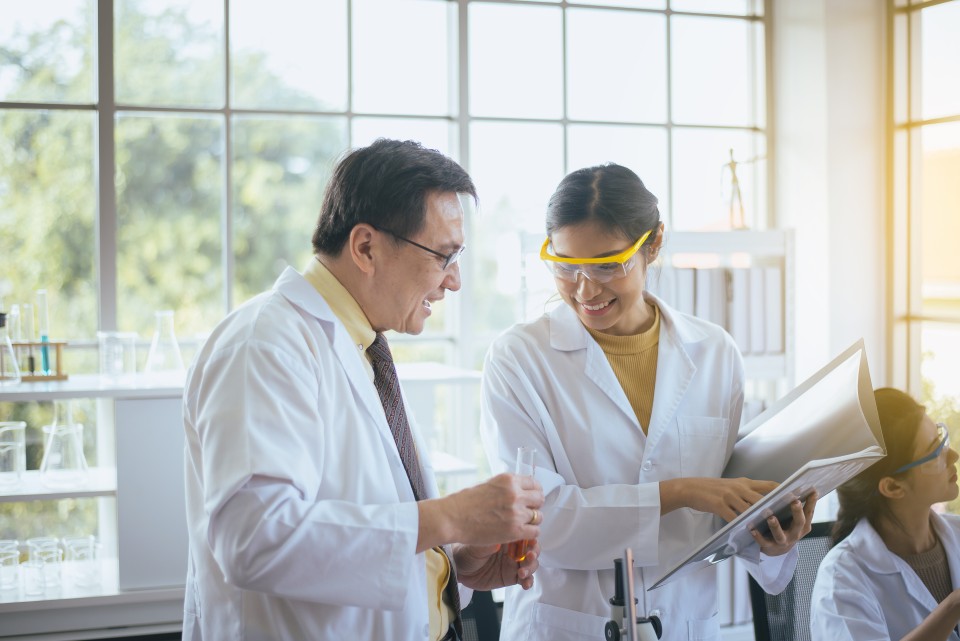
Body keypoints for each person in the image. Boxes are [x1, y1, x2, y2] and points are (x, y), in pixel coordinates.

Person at [182, 138, 545, 641]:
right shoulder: (264, 344)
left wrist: (456, 566)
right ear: (366, 247)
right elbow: (255, 542)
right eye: (444, 255)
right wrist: (450, 517)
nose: (454, 281)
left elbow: (370, 531)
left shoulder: (361, 347)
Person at [479, 163, 816, 641]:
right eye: (566, 266)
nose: (585, 290)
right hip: (568, 625)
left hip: (683, 623)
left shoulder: (715, 352)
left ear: (654, 243)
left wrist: (773, 539)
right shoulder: (519, 358)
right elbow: (540, 523)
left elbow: (720, 515)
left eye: (606, 265)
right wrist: (678, 492)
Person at [810, 388, 960, 640]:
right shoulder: (841, 581)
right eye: (935, 452)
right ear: (893, 487)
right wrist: (953, 607)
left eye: (941, 437)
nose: (953, 455)